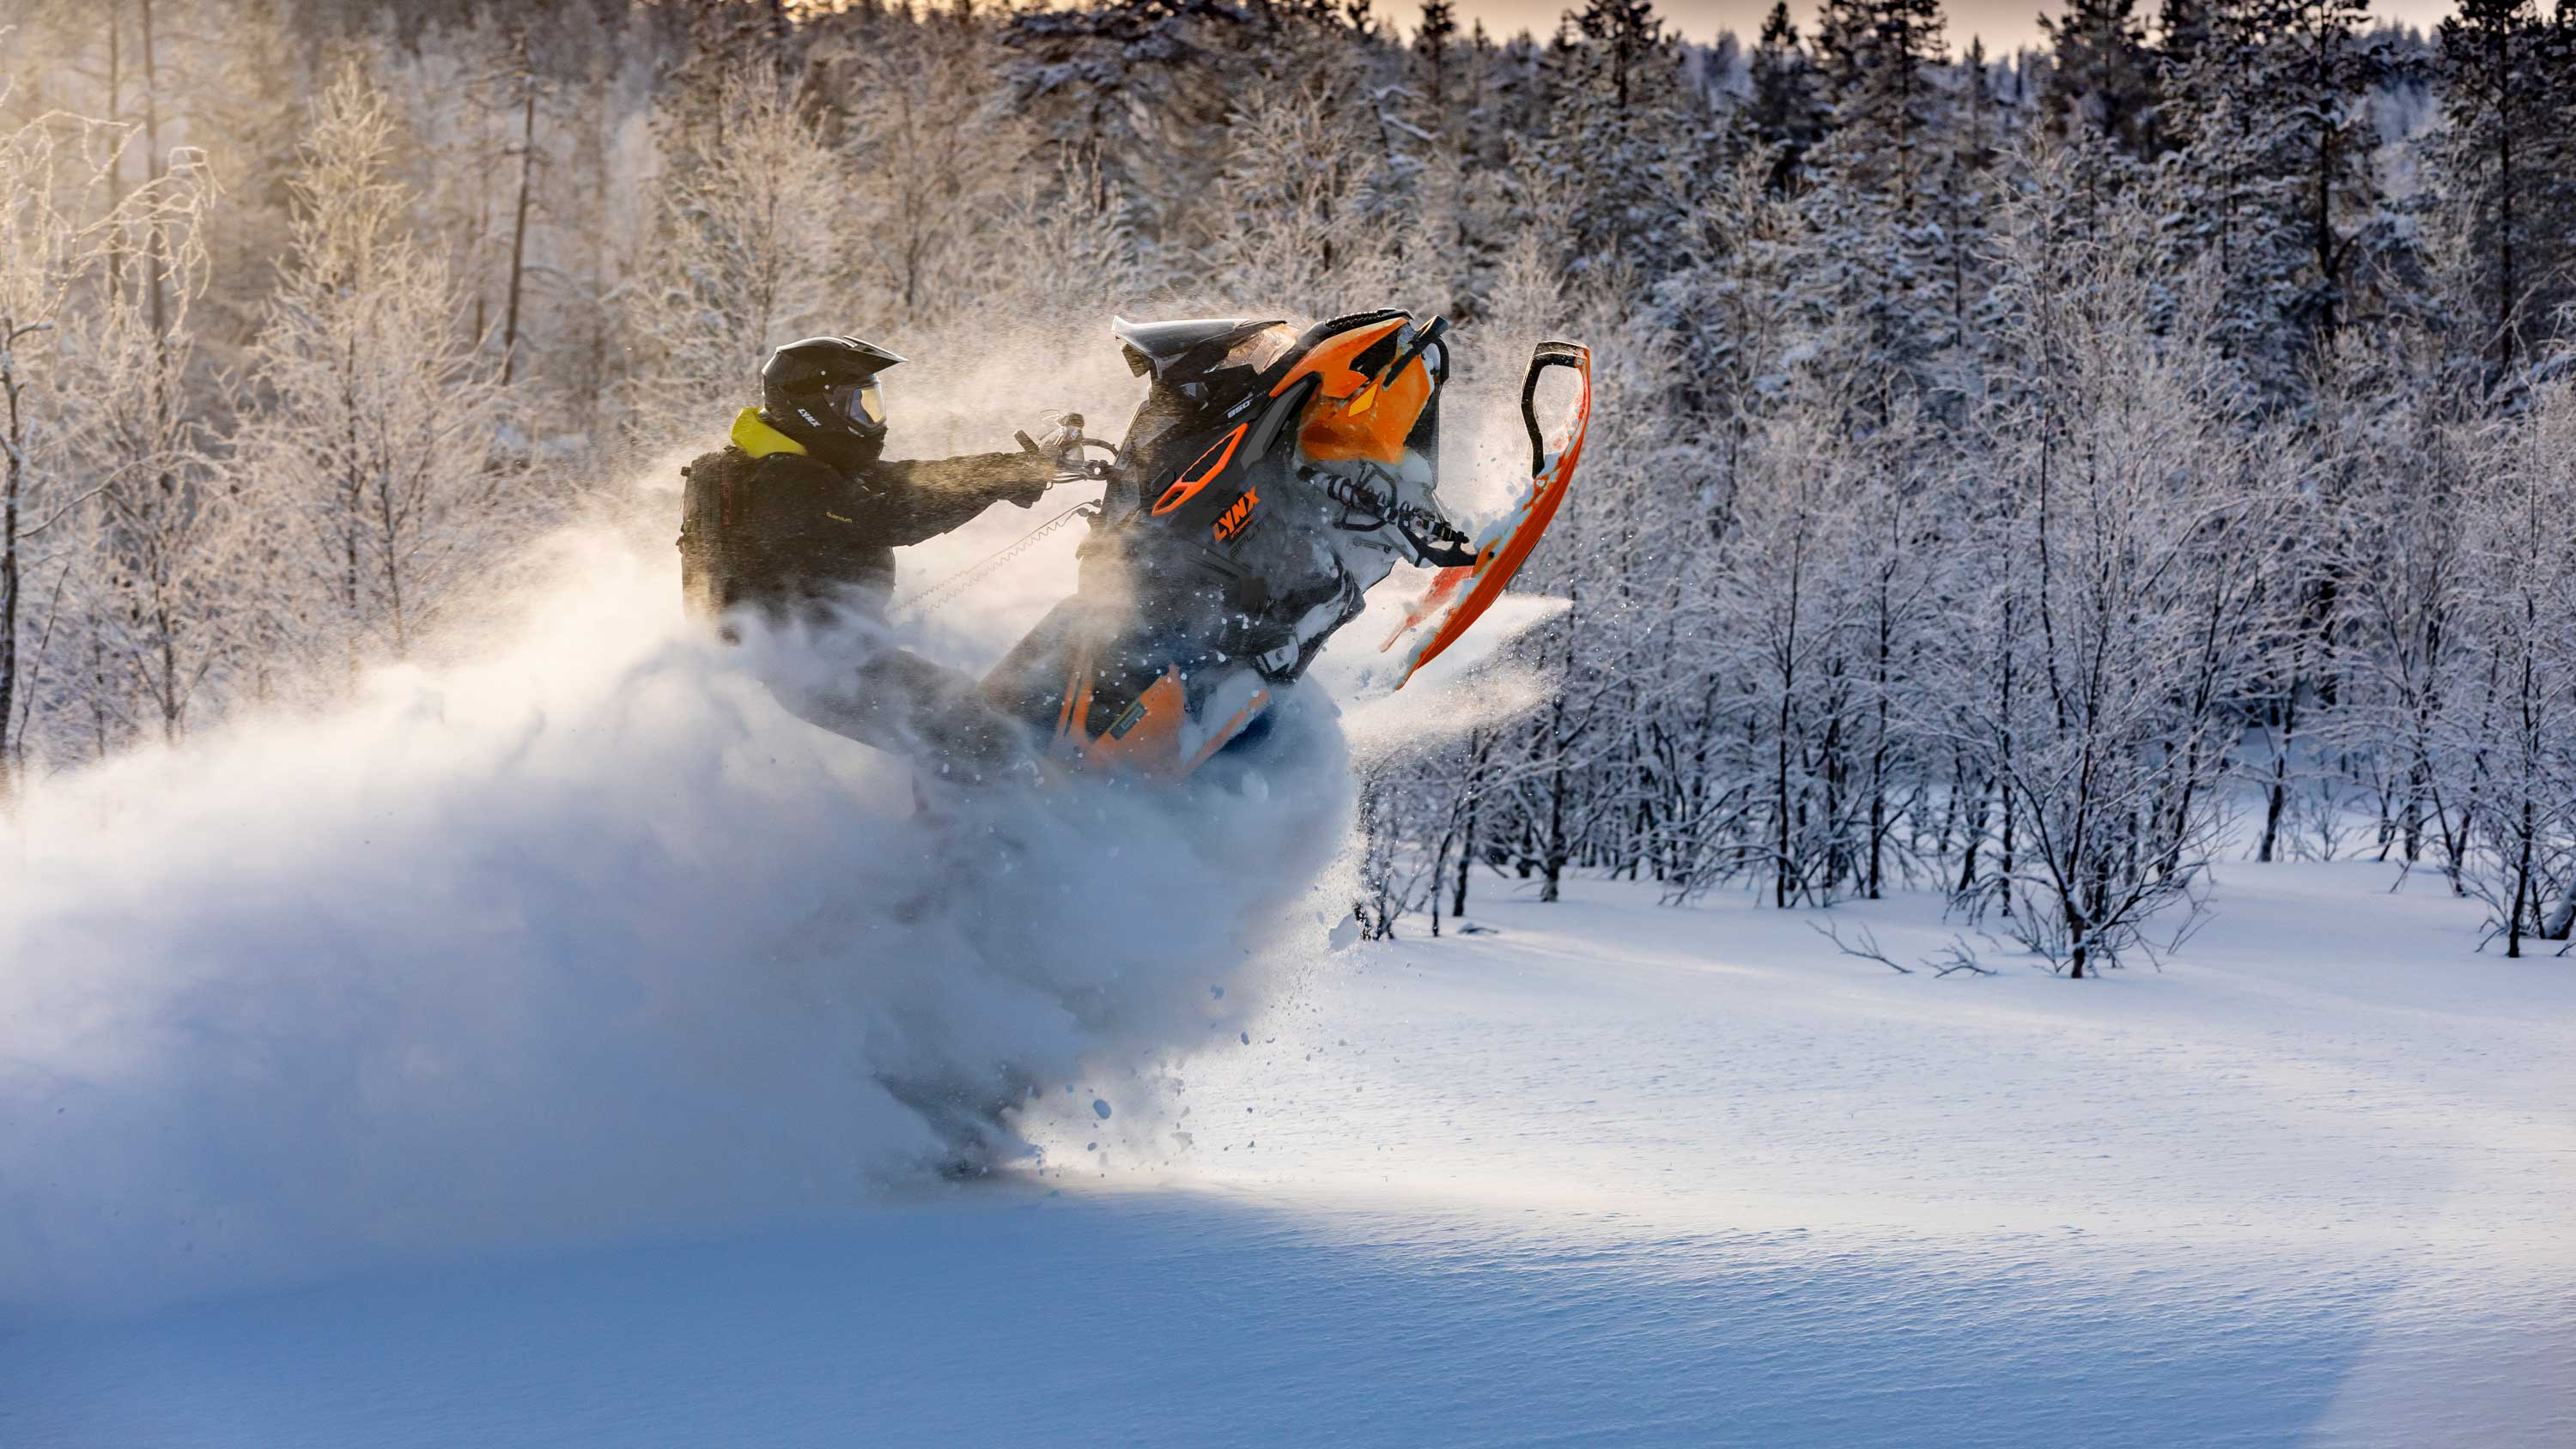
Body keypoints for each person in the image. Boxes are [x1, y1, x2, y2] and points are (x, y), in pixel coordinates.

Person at [678, 336, 1074, 779]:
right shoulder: (787, 485)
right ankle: (978, 844)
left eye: (871, 405)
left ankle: (974, 827)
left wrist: (1011, 468)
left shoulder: (787, 463)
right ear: (813, 408)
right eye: (856, 406)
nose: (870, 420)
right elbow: (894, 515)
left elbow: (905, 481)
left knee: (962, 714)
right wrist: (1004, 480)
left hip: (827, 659)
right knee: (974, 733)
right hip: (824, 671)